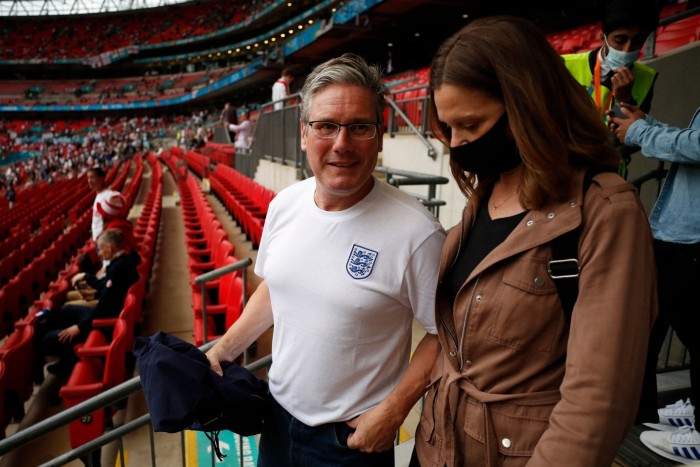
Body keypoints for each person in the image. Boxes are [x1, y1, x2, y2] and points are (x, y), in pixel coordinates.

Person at [412, 17, 657, 467]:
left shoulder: (606, 211)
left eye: (470, 124)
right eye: (449, 129)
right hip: (438, 446)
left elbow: (595, 403)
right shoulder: (485, 193)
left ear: (528, 106)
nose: (459, 144)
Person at [206, 53, 445, 466]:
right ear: (304, 134)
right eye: (326, 126)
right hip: (276, 420)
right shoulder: (285, 205)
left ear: (380, 135)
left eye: (359, 128)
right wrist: (225, 349)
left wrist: (393, 411)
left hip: (350, 442)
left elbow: (445, 335)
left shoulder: (418, 233)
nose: (341, 143)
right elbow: (275, 290)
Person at [609, 103, 700, 464]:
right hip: (681, 236)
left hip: (691, 239)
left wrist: (639, 132)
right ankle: (651, 411)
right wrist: (648, 125)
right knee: (649, 324)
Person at [562, 0, 659, 178]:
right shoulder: (565, 66)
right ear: (602, 37)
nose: (627, 49)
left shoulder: (646, 78)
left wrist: (623, 103)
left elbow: (632, 140)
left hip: (609, 174)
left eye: (637, 41)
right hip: (565, 169)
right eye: (620, 40)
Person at [41, 228, 140, 376]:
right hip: (109, 313)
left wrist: (79, 328)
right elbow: (107, 292)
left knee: (48, 339)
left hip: (105, 323)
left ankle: (68, 363)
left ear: (110, 248)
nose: (100, 253)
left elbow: (103, 307)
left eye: (101, 249)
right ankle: (65, 353)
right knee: (66, 310)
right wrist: (90, 283)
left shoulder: (119, 268)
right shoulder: (124, 261)